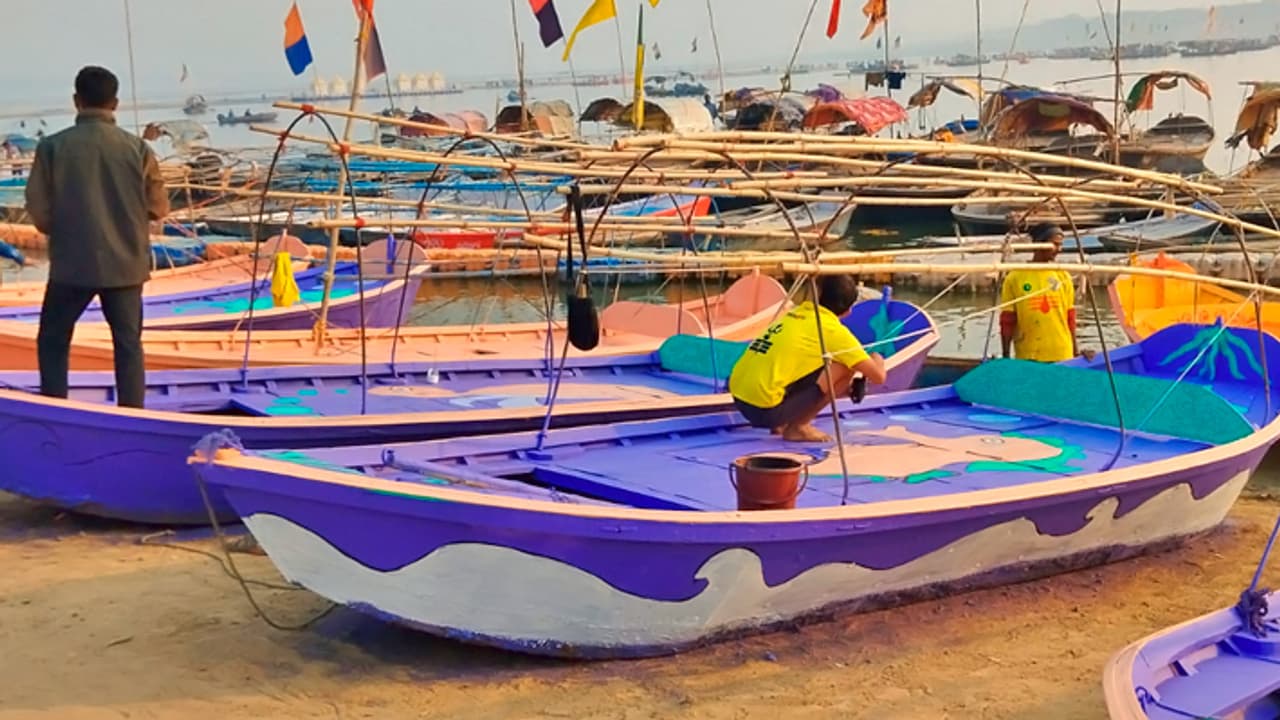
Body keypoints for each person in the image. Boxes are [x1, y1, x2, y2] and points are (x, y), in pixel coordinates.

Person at [24, 66, 169, 408]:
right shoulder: (138, 148)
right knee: (128, 344)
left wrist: (64, 229)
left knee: (53, 339)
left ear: (76, 101)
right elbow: (158, 207)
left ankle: (56, 408)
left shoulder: (51, 147)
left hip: (71, 264)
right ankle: (132, 413)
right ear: (115, 103)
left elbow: (38, 209)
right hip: (126, 265)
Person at [729, 274, 887, 443]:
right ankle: (799, 427)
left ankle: (780, 422)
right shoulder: (832, 330)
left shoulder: (795, 313)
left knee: (810, 362)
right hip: (764, 411)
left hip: (739, 399)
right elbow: (878, 377)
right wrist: (876, 356)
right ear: (848, 311)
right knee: (845, 368)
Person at [999, 222, 1082, 363]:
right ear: (1039, 244)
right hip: (1029, 354)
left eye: (1060, 245)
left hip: (1062, 352)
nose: (1058, 249)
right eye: (1054, 245)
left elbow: (1070, 318)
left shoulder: (1063, 276)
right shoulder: (1015, 278)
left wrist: (1075, 351)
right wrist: (1006, 356)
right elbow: (1007, 320)